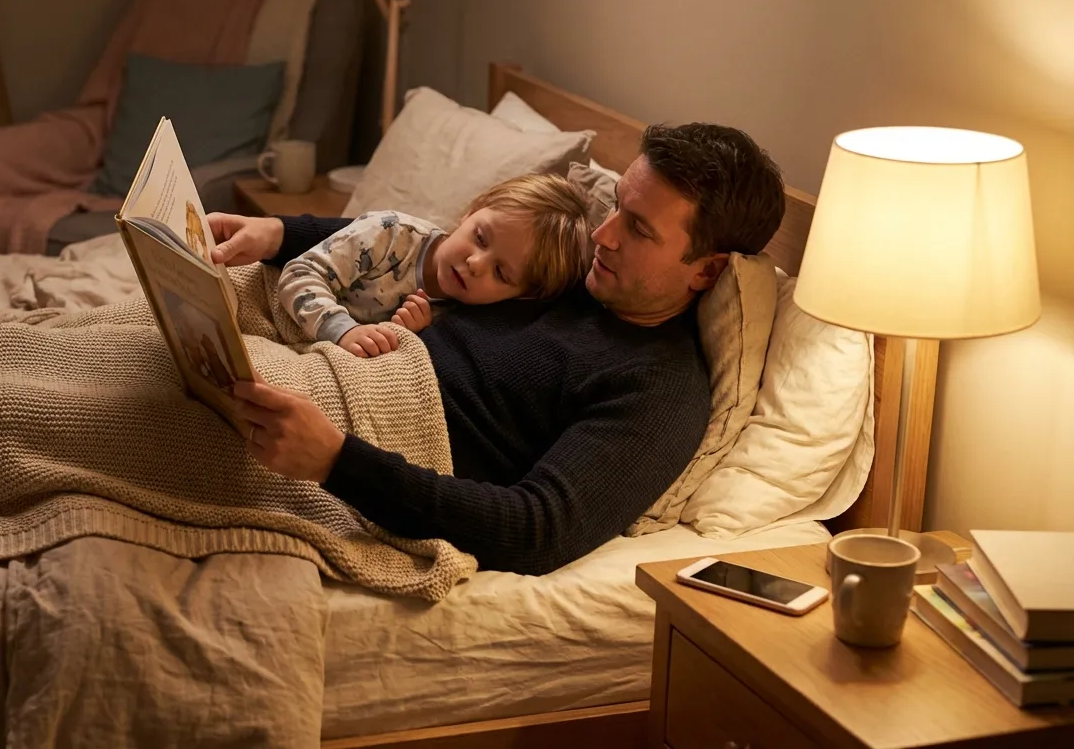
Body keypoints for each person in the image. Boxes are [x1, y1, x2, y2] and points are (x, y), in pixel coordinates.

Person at [214, 123, 786, 575]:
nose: (604, 234)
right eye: (615, 207)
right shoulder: (580, 272)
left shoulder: (657, 388)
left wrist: (338, 462)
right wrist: (281, 234)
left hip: (357, 431)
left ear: (706, 271)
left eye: (638, 230)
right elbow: (422, 251)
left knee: (144, 407)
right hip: (337, 353)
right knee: (153, 326)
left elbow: (537, 530)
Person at [277, 173, 593, 357]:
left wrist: (405, 336)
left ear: (521, 296)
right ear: (472, 211)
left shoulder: (466, 318)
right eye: (481, 238)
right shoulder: (390, 234)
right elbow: (300, 272)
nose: (475, 263)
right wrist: (343, 331)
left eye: (500, 273)